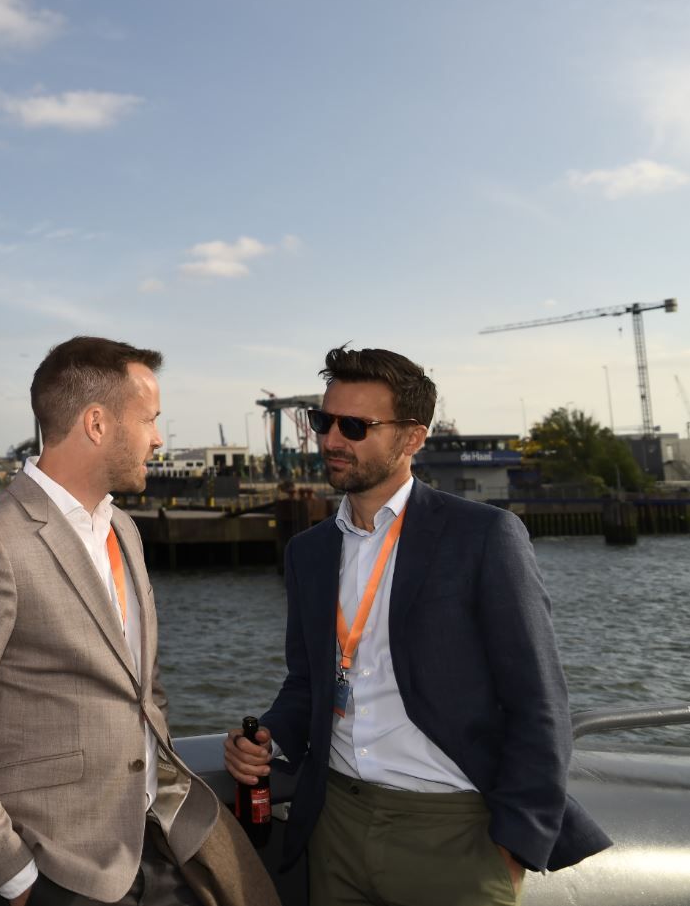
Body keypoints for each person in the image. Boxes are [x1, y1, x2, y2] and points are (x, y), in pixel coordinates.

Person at [224, 346, 610, 905]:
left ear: (412, 438)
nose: (331, 440)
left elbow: (539, 701)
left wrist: (516, 845)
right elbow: (307, 681)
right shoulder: (308, 551)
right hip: (334, 821)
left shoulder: (482, 536)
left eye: (354, 426)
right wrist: (268, 738)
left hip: (454, 830)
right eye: (323, 421)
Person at [0, 337, 278, 906]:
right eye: (149, 419)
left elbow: (142, 690)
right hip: (56, 869)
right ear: (97, 423)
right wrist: (13, 875)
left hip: (153, 846)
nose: (157, 436)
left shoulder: (122, 529)